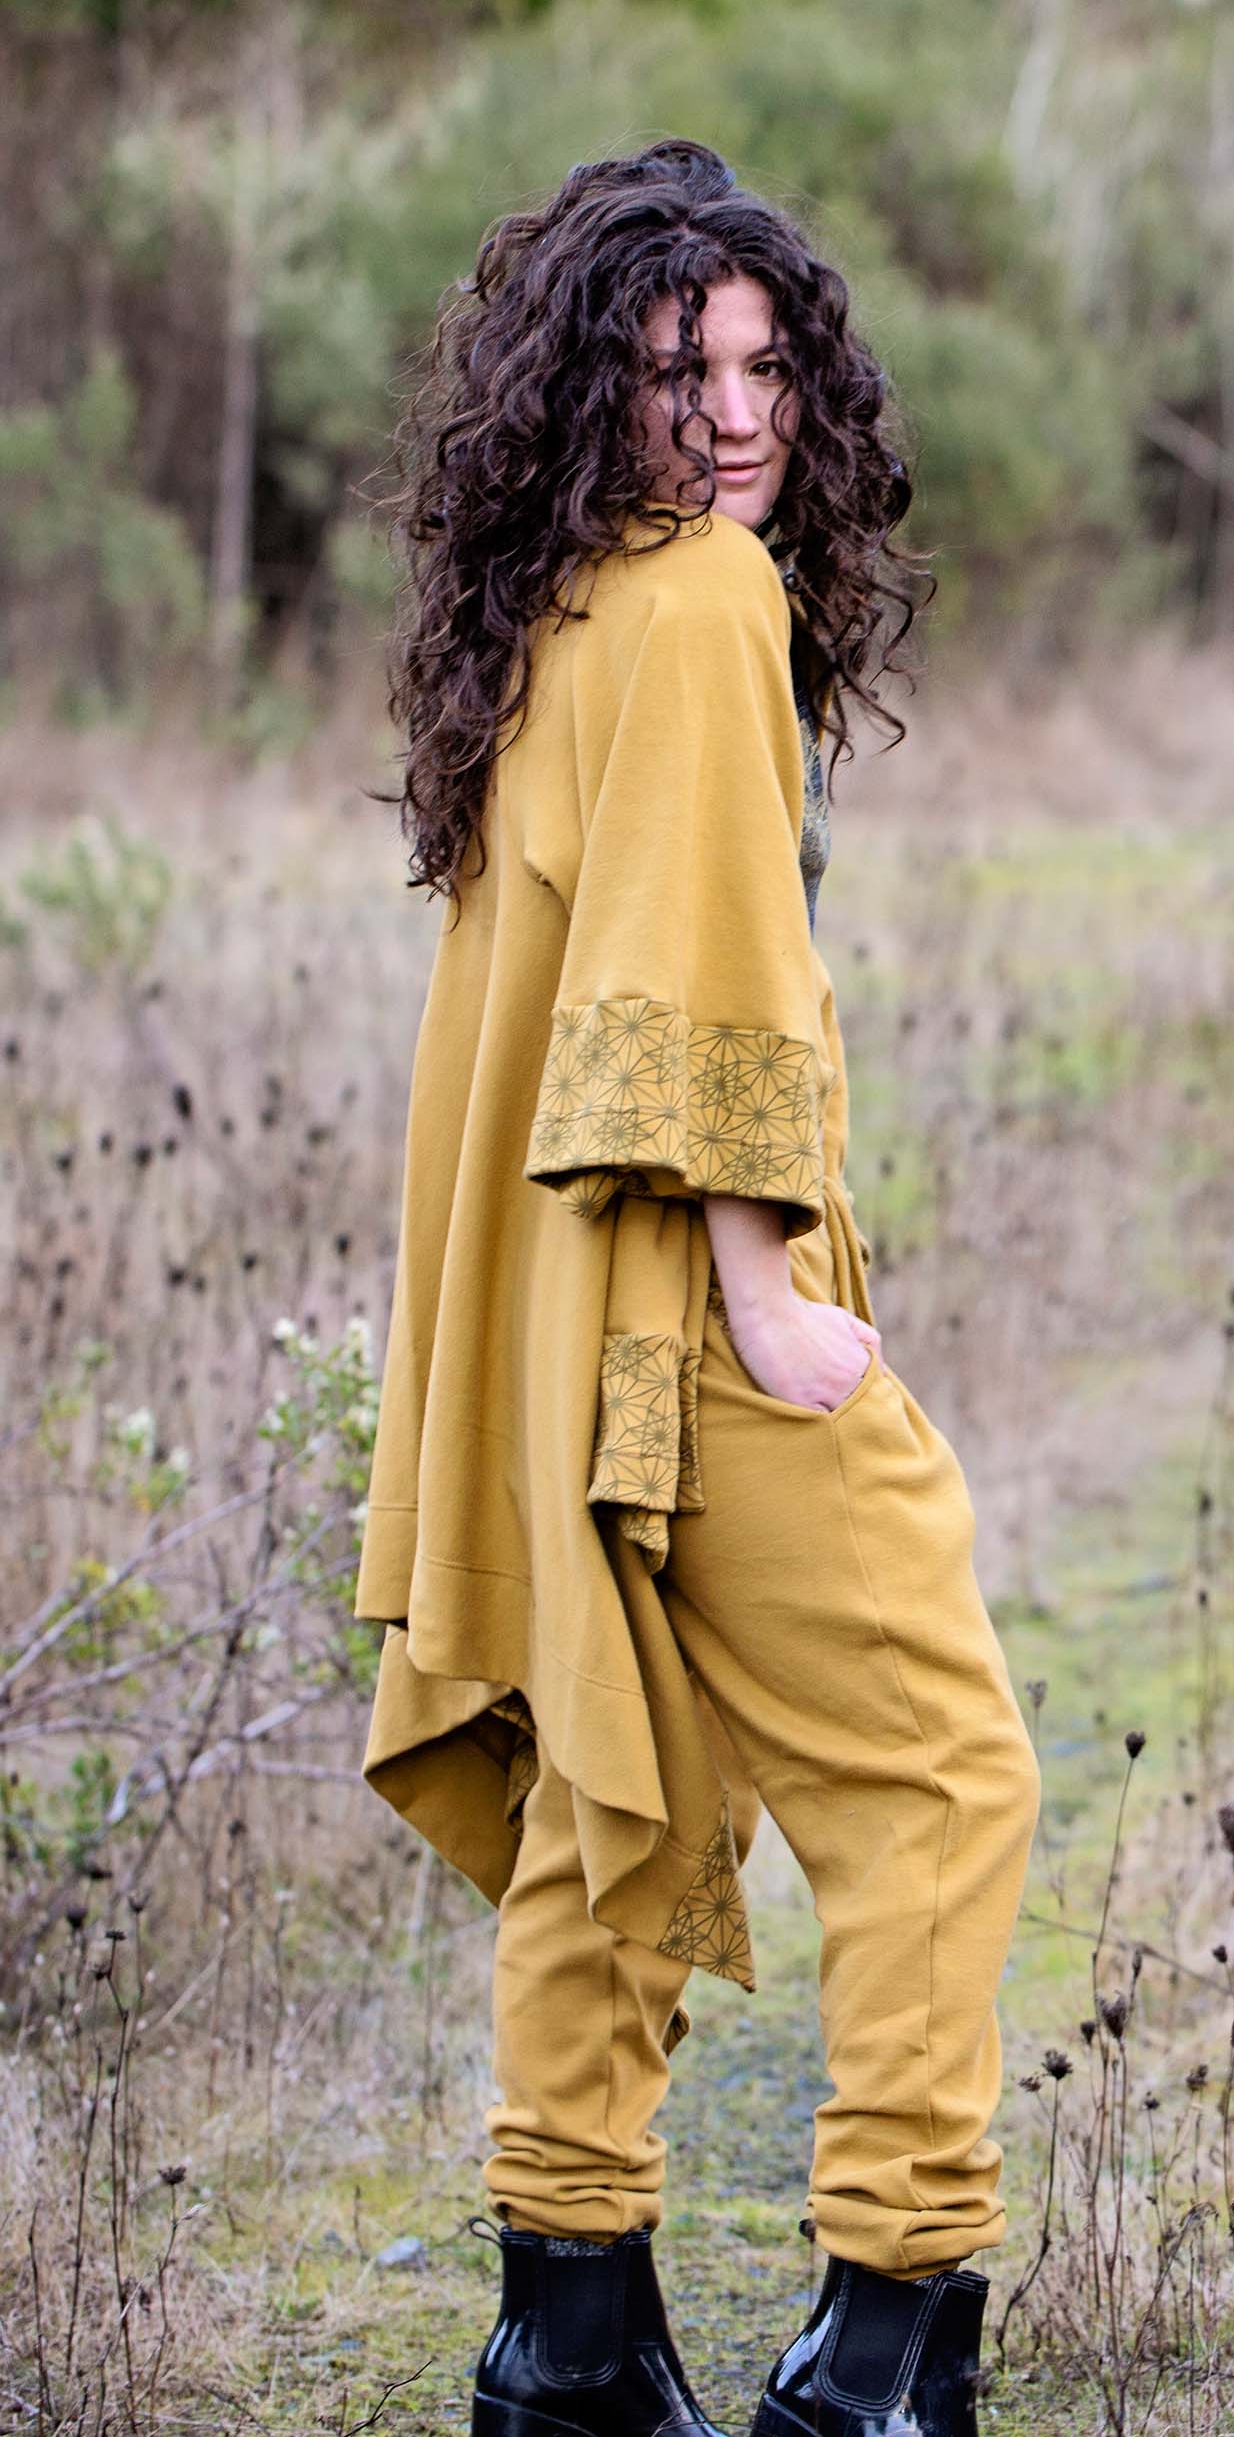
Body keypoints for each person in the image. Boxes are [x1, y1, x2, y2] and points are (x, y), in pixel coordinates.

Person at [352, 138, 1042, 2437]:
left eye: (763, 367)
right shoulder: (705, 609)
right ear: (594, 386)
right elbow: (694, 984)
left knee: (610, 1794)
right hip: (686, 1292)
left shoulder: (555, 615)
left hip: (553, 1316)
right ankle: (884, 2346)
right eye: (679, 369)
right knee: (944, 1773)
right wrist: (767, 1296)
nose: (736, 414)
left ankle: (565, 2345)